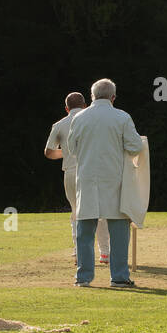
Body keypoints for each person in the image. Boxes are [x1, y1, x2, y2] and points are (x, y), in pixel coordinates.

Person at [67, 79, 143, 288]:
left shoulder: (79, 118)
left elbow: (72, 149)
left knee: (84, 232)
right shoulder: (121, 117)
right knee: (118, 230)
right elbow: (135, 146)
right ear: (113, 97)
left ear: (91, 96)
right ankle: (119, 276)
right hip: (114, 179)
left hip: (87, 178)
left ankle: (83, 277)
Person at [45, 92, 110, 262]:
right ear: (85, 105)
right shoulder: (92, 120)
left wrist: (66, 154)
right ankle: (105, 253)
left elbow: (49, 152)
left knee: (76, 213)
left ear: (66, 108)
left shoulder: (59, 125)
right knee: (99, 212)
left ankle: (79, 252)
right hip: (92, 171)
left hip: (70, 172)